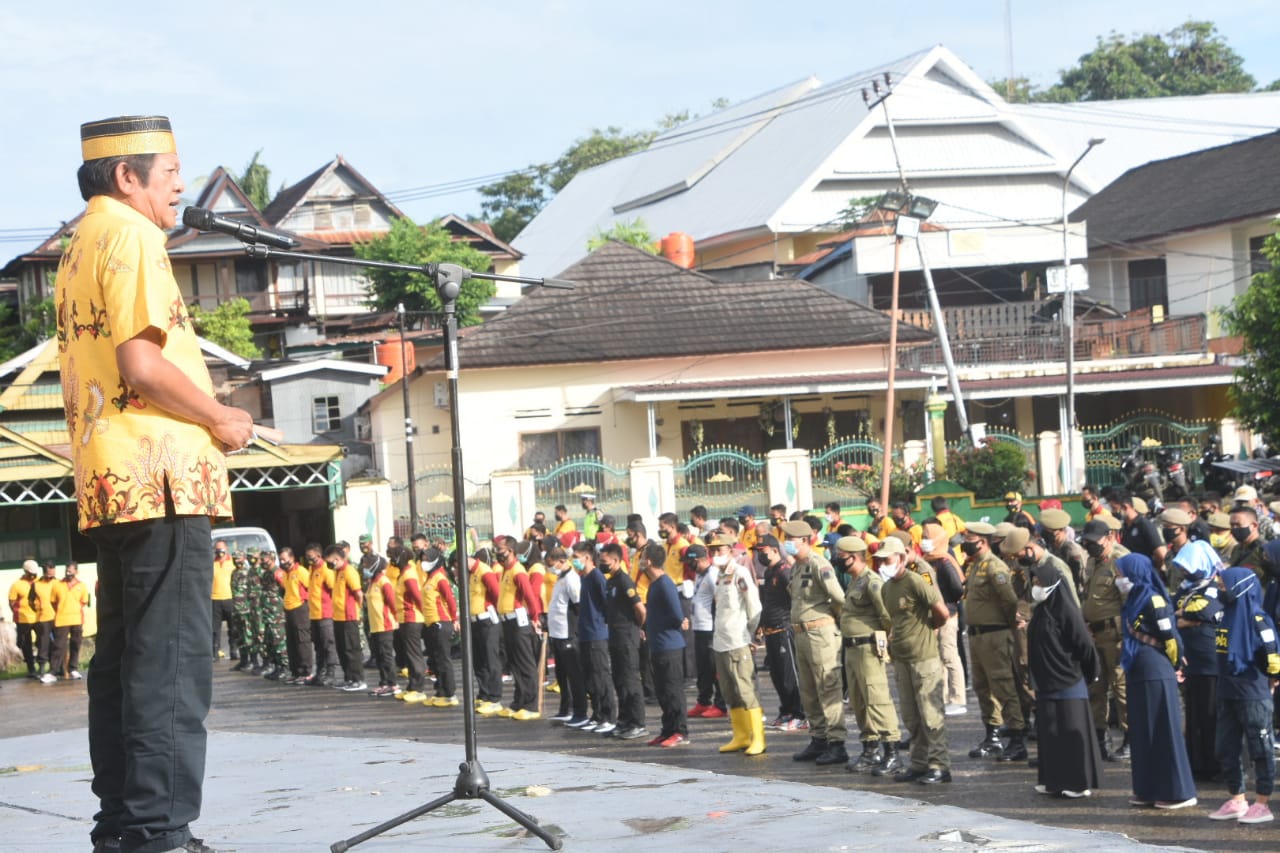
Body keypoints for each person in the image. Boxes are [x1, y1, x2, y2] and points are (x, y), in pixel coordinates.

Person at [57, 115, 255, 853]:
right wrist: (221, 415)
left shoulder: (82, 239)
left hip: (112, 478)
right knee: (168, 661)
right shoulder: (134, 237)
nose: (180, 182)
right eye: (168, 169)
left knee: (123, 662)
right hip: (161, 475)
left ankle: (124, 824)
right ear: (126, 176)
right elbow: (142, 366)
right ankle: (158, 831)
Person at [1115, 553, 1197, 810]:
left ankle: (1178, 791)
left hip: (1155, 669)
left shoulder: (1153, 598)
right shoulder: (1134, 599)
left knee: (1163, 730)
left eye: (1121, 573)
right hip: (1139, 668)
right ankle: (1148, 788)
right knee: (1142, 730)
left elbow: (1170, 638)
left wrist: (1175, 665)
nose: (1118, 578)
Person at [878, 532, 954, 783]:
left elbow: (941, 612)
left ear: (900, 557)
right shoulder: (887, 588)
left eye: (887, 559)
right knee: (911, 716)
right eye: (880, 560)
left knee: (931, 715)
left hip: (924, 657)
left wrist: (929, 627)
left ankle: (939, 765)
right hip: (901, 659)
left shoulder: (916, 580)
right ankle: (919, 763)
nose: (882, 565)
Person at [1207, 565, 1280, 823]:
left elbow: (1273, 659)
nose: (1220, 590)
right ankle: (1237, 798)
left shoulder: (1259, 621)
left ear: (1240, 588)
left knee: (1260, 748)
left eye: (1224, 586)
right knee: (1226, 748)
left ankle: (1262, 802)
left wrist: (1271, 680)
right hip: (1227, 692)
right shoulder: (1224, 616)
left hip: (1253, 694)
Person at [1027, 553, 1102, 798]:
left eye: (1039, 582)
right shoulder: (1041, 610)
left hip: (1068, 679)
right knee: (1051, 732)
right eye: (1034, 582)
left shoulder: (1066, 609)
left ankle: (1078, 782)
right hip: (1046, 682)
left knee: (1071, 730)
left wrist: (1092, 674)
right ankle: (1053, 780)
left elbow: (1085, 645)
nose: (1036, 587)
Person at [784, 519, 847, 766]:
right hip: (801, 633)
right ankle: (819, 737)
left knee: (827, 686)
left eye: (791, 540)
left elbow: (838, 598)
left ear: (805, 540)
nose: (787, 544)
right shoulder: (798, 567)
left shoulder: (818, 564)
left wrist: (833, 623)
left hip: (820, 634)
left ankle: (837, 742)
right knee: (809, 690)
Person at [837, 536, 902, 774]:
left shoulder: (872, 582)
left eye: (841, 556)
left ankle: (892, 751)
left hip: (867, 648)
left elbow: (887, 616)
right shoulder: (855, 581)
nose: (837, 560)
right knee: (859, 701)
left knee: (877, 699)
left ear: (853, 557)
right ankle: (870, 748)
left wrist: (887, 646)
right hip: (852, 648)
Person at [961, 521, 1025, 762]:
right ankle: (993, 735)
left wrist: (1008, 628)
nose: (965, 543)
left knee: (1004, 686)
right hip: (977, 636)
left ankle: (1017, 737)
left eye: (970, 539)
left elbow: (1009, 601)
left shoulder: (994, 566)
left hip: (995, 635)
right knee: (982, 687)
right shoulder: (975, 566)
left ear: (983, 541)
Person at [1170, 540, 1225, 782]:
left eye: (1189, 567)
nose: (1185, 572)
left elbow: (1206, 612)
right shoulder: (1186, 588)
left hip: (1209, 660)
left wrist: (1181, 615)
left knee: (1210, 714)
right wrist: (1183, 617)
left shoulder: (1215, 586)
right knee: (1193, 715)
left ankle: (1214, 764)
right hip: (1189, 660)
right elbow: (1172, 613)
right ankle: (1196, 763)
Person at [1080, 517, 1130, 760]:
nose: (1089, 546)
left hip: (1115, 634)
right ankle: (1100, 738)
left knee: (1121, 688)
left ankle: (1130, 739)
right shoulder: (1092, 562)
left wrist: (1127, 636)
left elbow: (1129, 602)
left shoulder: (1120, 562)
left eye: (1094, 542)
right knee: (1095, 687)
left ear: (1109, 537)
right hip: (1094, 633)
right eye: (1086, 543)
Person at [713, 528, 765, 757]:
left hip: (737, 640)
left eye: (719, 549)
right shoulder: (720, 575)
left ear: (731, 551)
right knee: (729, 691)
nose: (715, 553)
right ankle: (741, 736)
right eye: (712, 550)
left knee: (745, 689)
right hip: (721, 641)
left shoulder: (740, 573)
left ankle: (757, 738)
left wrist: (749, 633)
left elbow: (754, 606)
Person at [753, 534, 805, 730]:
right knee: (776, 675)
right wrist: (760, 625)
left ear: (774, 550)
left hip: (784, 628)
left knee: (790, 674)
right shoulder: (769, 572)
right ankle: (787, 710)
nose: (760, 556)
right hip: (770, 630)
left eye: (763, 551)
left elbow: (795, 599)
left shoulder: (785, 571)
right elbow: (767, 602)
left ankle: (800, 714)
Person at [571, 541, 621, 734]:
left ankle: (609, 716)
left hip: (597, 634)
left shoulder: (597, 577)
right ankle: (598, 714)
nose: (574, 561)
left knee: (601, 676)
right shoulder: (584, 578)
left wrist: (604, 625)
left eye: (576, 557)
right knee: (590, 678)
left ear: (587, 558)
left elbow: (606, 603)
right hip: (584, 633)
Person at [642, 543, 689, 747]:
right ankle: (667, 729)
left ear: (649, 561)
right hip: (658, 646)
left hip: (670, 646)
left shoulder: (665, 583)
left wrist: (677, 623)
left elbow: (677, 614)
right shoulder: (654, 584)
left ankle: (680, 731)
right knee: (662, 691)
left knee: (672, 690)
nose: (640, 561)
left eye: (643, 557)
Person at [494, 535, 544, 720]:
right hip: (506, 620)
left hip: (518, 620)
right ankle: (518, 701)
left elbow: (530, 596)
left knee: (525, 662)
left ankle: (531, 705)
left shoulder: (517, 570)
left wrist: (535, 616)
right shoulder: (505, 570)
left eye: (501, 549)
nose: (498, 552)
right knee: (514, 663)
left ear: (511, 551)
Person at [920, 521, 967, 715]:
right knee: (938, 658)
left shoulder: (945, 561)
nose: (924, 541)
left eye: (927, 537)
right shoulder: (928, 561)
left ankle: (958, 698)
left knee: (949, 656)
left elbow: (958, 588)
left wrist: (947, 604)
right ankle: (944, 697)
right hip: (934, 616)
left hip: (948, 615)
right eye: (923, 537)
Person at [603, 542, 646, 737]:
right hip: (614, 635)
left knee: (630, 680)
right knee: (619, 679)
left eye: (605, 561)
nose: (602, 564)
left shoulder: (624, 581)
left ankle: (637, 722)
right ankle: (624, 720)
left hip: (626, 635)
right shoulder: (610, 580)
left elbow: (640, 609)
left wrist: (637, 627)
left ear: (617, 560)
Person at [545, 547, 588, 726]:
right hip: (556, 633)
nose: (550, 568)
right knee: (561, 674)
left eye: (552, 564)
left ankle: (580, 712)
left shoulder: (572, 579)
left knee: (574, 675)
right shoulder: (560, 578)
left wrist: (575, 632)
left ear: (562, 561)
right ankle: (565, 708)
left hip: (568, 633)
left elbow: (578, 607)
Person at [687, 541, 727, 718]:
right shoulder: (700, 575)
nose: (690, 566)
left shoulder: (712, 575)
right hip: (699, 627)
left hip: (710, 629)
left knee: (714, 668)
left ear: (702, 559)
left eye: (692, 562)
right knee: (703, 669)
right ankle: (703, 701)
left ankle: (721, 704)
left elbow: (720, 600)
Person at [467, 547, 505, 716]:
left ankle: (494, 697)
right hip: (474, 621)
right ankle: (484, 693)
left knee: (491, 659)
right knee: (479, 659)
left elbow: (497, 594)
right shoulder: (470, 574)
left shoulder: (485, 572)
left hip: (488, 620)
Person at [419, 547, 459, 706]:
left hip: (441, 623)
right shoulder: (430, 577)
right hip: (430, 624)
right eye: (423, 559)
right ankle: (440, 691)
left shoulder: (440, 578)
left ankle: (450, 694)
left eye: (427, 559)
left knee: (443, 659)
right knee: (435, 659)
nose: (424, 562)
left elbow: (450, 600)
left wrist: (454, 619)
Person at [393, 546, 429, 704]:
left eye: (393, 556)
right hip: (404, 619)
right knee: (408, 654)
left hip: (412, 618)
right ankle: (411, 686)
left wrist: (426, 616)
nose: (391, 560)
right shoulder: (403, 574)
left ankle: (418, 688)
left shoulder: (409, 575)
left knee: (414, 654)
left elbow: (417, 597)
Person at [328, 543, 366, 691]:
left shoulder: (349, 571)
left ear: (337, 558)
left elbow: (358, 593)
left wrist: (358, 610)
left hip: (349, 616)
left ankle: (358, 679)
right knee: (342, 649)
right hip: (338, 616)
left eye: (331, 561)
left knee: (352, 649)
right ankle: (348, 677)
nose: (330, 564)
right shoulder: (337, 572)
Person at [365, 555, 400, 697]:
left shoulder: (383, 582)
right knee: (379, 656)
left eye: (367, 564)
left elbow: (392, 602)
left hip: (385, 624)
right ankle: (384, 683)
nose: (365, 567)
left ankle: (393, 684)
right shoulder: (372, 581)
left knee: (386, 655)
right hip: (375, 625)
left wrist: (396, 618)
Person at [303, 544, 338, 687]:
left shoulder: (326, 570)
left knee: (328, 644)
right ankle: (320, 672)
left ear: (318, 555)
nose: (309, 560)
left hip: (326, 614)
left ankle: (331, 673)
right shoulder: (312, 569)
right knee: (318, 645)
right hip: (314, 614)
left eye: (311, 557)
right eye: (307, 557)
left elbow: (333, 590)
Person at [278, 548, 313, 684]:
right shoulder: (286, 574)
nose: (282, 562)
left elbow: (311, 589)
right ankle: (295, 671)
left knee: (302, 640)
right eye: (280, 559)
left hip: (300, 609)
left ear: (292, 558)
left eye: (285, 559)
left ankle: (306, 671)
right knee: (291, 642)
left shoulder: (301, 571)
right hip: (289, 610)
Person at [50, 562, 90, 679]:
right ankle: (53, 671)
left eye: (71, 572)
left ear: (76, 572)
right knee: (59, 646)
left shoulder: (81, 586)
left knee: (75, 644)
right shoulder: (58, 585)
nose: (69, 574)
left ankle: (73, 669)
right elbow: (53, 602)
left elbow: (84, 601)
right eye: (67, 572)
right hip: (61, 619)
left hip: (77, 619)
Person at [9, 559, 38, 678]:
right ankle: (31, 669)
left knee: (44, 643)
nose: (33, 576)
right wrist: (18, 612)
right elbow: (11, 602)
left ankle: (50, 667)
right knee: (26, 645)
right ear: (25, 571)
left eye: (34, 574)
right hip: (23, 619)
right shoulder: (17, 585)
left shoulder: (39, 582)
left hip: (39, 617)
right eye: (31, 573)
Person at [31, 560, 58, 681]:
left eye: (53, 573)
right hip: (43, 618)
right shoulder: (36, 584)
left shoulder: (58, 583)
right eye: (49, 574)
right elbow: (30, 600)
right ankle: (41, 667)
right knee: (43, 643)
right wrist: (38, 609)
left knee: (58, 643)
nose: (51, 576)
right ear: (44, 572)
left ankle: (58, 667)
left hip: (58, 617)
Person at [211, 541, 235, 660]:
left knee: (233, 627)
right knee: (215, 629)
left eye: (221, 549)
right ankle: (215, 652)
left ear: (226, 549)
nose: (219, 552)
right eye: (217, 550)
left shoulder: (233, 562)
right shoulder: (212, 563)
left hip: (230, 598)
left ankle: (234, 652)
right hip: (215, 599)